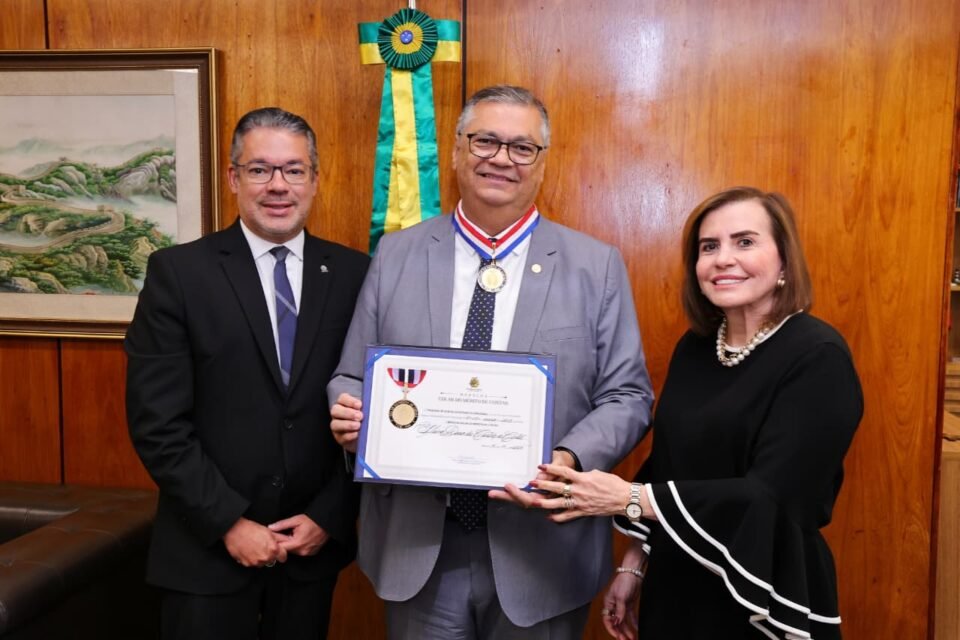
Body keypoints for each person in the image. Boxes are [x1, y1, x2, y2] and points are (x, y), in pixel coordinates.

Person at [327, 85, 654, 638]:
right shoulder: (397, 254)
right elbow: (350, 376)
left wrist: (566, 459)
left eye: (522, 147)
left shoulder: (594, 266)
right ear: (457, 150)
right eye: (485, 141)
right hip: (418, 546)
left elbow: (629, 396)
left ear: (542, 163)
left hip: (543, 551)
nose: (501, 158)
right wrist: (351, 413)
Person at [505, 187, 864, 639]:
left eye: (745, 242)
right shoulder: (696, 348)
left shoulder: (818, 355)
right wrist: (635, 563)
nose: (723, 259)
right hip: (676, 585)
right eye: (708, 247)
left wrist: (627, 498)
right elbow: (670, 466)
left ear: (785, 263)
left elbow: (773, 496)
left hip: (762, 591)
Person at [125, 107, 370, 640]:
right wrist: (229, 523)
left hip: (309, 553)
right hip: (205, 553)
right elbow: (157, 424)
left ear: (315, 179)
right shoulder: (179, 274)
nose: (278, 185)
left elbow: (371, 412)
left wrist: (329, 516)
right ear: (234, 178)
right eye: (260, 169)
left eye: (294, 170)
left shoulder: (356, 274)